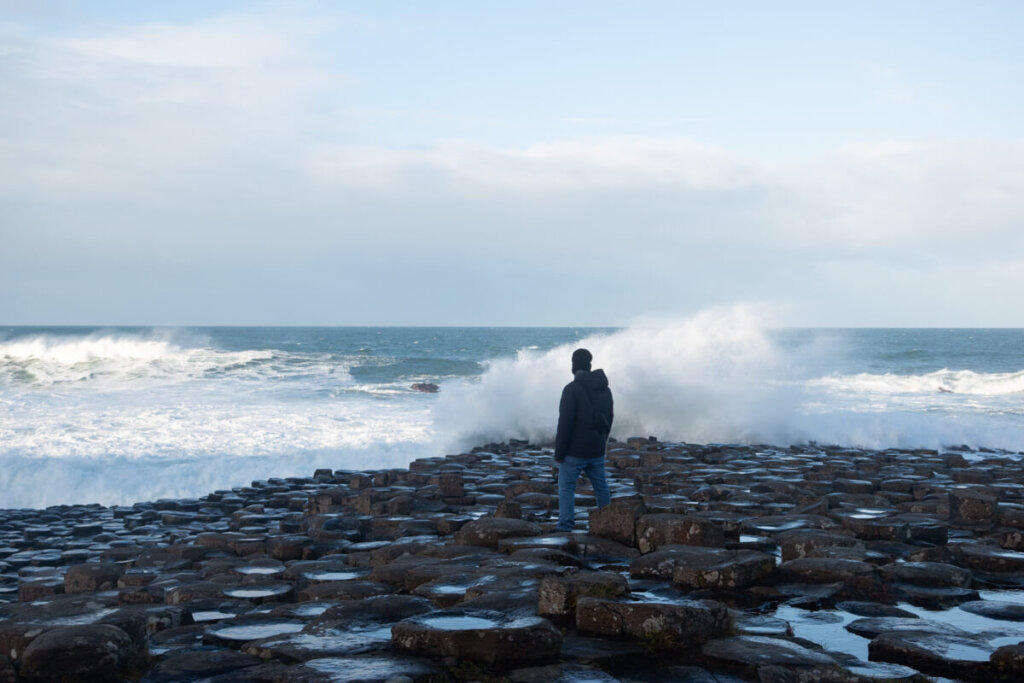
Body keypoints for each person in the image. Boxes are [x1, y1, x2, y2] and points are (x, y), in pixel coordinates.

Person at [554, 347, 613, 532]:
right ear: (589, 364)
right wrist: (602, 442)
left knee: (566, 488)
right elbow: (609, 418)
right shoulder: (605, 389)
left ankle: (565, 525)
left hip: (574, 452)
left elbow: (565, 423)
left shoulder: (571, 389)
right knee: (601, 487)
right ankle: (607, 522)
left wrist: (559, 453)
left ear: (573, 365)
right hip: (596, 449)